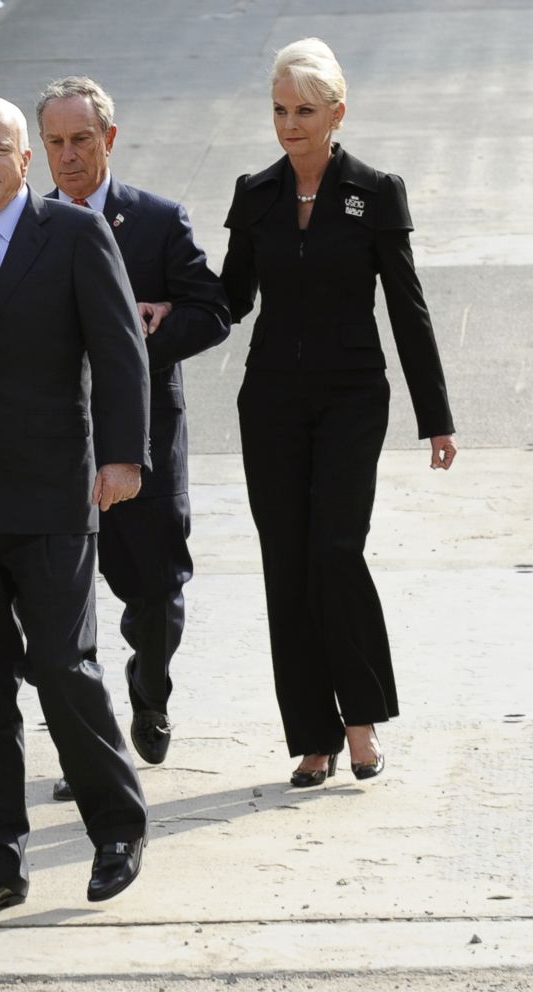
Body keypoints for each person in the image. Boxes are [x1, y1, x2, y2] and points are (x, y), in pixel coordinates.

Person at [0, 96, 149, 918]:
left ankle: (115, 828)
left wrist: (121, 457)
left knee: (61, 666)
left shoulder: (74, 234)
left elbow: (118, 350)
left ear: (25, 160)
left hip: (50, 492)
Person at [220, 38, 456, 787]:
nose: (289, 125)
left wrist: (436, 416)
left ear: (336, 113)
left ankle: (360, 720)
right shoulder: (253, 193)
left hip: (353, 399)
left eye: (305, 111)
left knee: (332, 551)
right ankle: (312, 737)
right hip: (270, 404)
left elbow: (407, 308)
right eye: (280, 110)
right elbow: (229, 299)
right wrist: (155, 305)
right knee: (284, 562)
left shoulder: (374, 190)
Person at [35, 77, 230, 802]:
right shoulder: (28, 224)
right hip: (59, 449)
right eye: (54, 143)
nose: (68, 156)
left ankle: (149, 691)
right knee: (60, 612)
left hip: (145, 439)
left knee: (156, 595)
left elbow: (213, 312)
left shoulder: (154, 221)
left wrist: (154, 324)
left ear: (108, 139)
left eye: (80, 139)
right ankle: (87, 753)